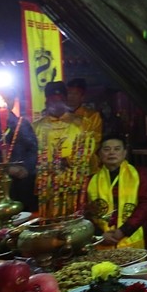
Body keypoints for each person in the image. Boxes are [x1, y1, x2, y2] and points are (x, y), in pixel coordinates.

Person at [33, 81, 96, 218]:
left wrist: (70, 161)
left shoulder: (82, 123)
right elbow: (33, 155)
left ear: (65, 101)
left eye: (60, 100)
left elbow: (90, 147)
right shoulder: (36, 127)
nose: (56, 105)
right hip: (48, 184)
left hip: (75, 182)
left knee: (75, 218)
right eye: (52, 101)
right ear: (46, 102)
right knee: (49, 219)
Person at [85, 134, 147, 249]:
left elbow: (146, 204)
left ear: (125, 152)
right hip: (102, 237)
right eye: (107, 149)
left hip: (130, 234)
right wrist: (100, 234)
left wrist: (124, 230)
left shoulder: (139, 174)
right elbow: (85, 210)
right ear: (99, 154)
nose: (111, 153)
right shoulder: (90, 180)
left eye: (117, 149)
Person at [66, 78, 103, 174]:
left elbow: (96, 140)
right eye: (69, 93)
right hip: (63, 164)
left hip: (86, 164)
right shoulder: (60, 115)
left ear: (82, 97)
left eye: (76, 94)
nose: (71, 97)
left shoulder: (92, 116)